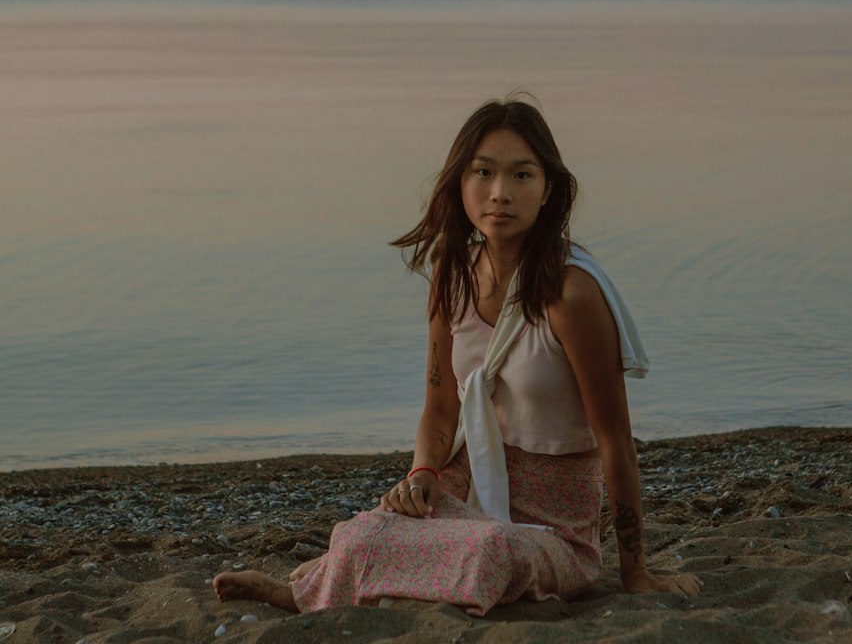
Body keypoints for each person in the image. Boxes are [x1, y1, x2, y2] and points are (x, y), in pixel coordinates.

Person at [214, 95, 702, 615]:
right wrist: (422, 474)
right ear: (460, 183)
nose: (500, 193)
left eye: (521, 175)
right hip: (460, 489)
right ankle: (336, 569)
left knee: (490, 551)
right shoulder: (452, 278)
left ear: (548, 188)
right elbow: (441, 411)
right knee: (365, 531)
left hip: (554, 531)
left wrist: (635, 572)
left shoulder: (571, 295)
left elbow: (615, 439)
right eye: (484, 172)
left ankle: (314, 586)